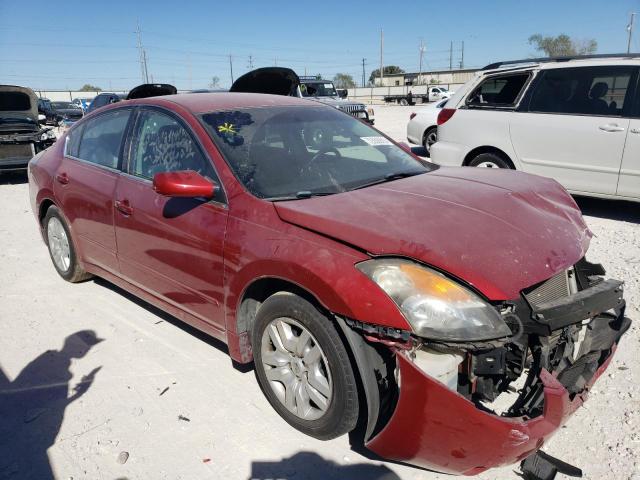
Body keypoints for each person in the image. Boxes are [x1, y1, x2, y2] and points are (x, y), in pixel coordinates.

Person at [0, 330, 103, 479]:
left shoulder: (54, 363)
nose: (86, 349)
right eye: (87, 347)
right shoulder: (53, 364)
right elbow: (21, 390)